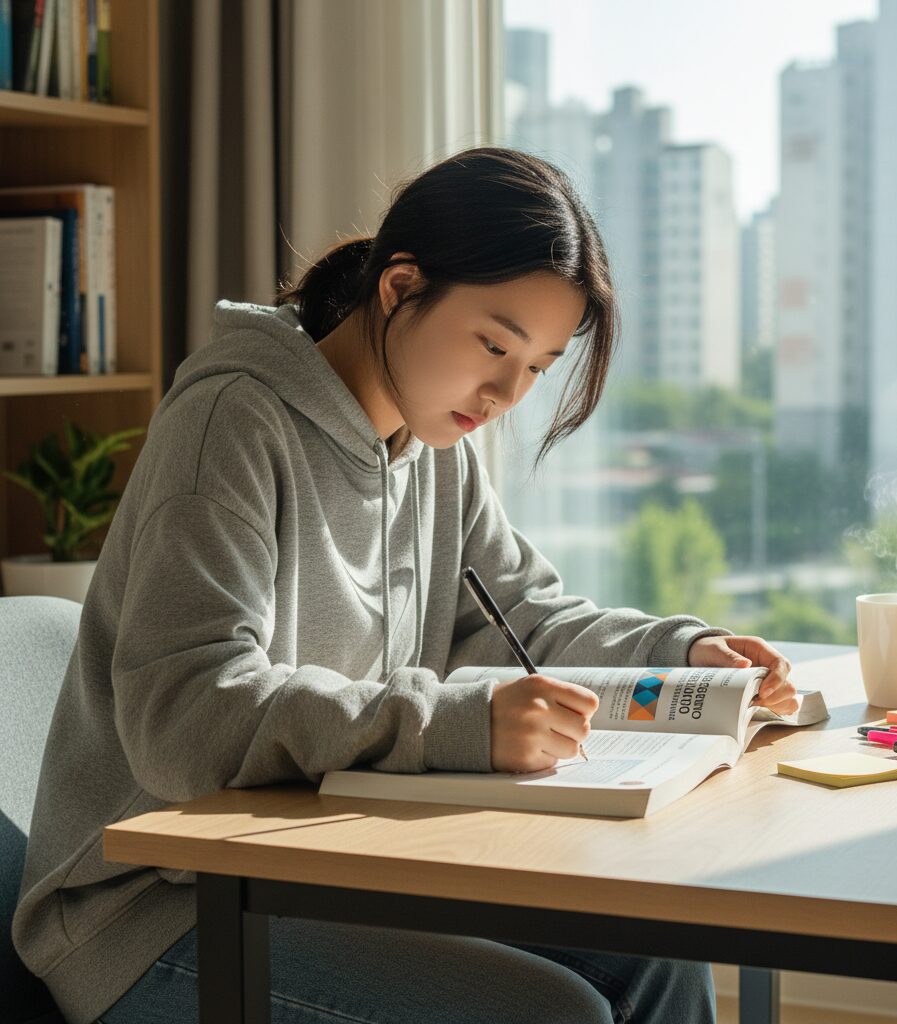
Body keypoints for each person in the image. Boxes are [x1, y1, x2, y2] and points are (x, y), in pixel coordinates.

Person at [14, 146, 797, 1024]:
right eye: (494, 345)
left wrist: (681, 653)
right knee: (549, 1015)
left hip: (324, 865)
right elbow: (186, 719)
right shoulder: (230, 423)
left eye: (538, 366)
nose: (505, 393)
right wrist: (454, 723)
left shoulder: (432, 446)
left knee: (662, 960)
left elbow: (520, 616)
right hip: (158, 908)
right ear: (399, 286)